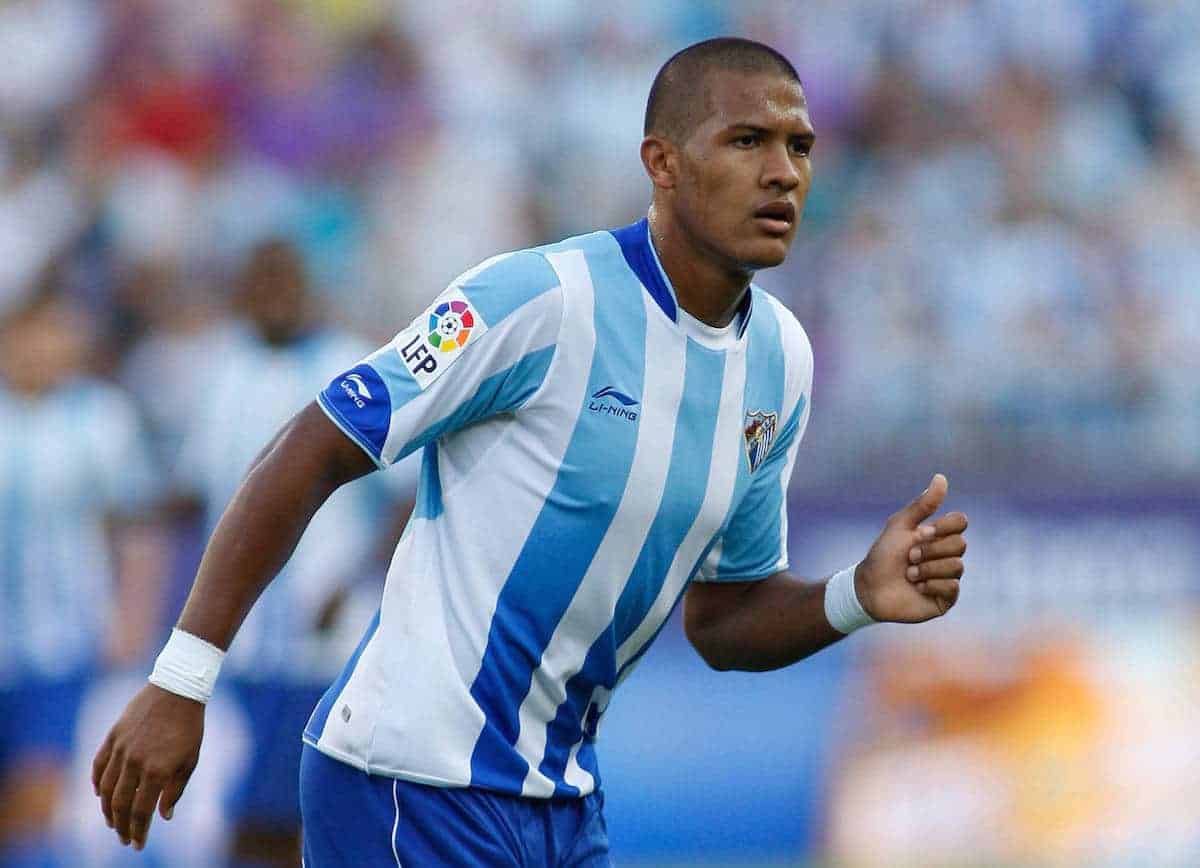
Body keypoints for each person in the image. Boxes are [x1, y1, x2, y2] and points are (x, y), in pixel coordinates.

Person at [92, 37, 969, 866]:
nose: (783, 172)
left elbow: (723, 617)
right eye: (746, 140)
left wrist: (857, 595)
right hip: (407, 779)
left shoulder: (782, 361)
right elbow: (314, 446)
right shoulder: (537, 300)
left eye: (800, 146)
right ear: (661, 163)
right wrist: (181, 679)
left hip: (560, 801)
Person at [172, 239, 415, 867]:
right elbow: (202, 496)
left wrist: (352, 581)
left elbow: (401, 496)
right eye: (262, 279)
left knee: (311, 812)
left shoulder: (347, 364)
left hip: (326, 645)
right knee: (242, 814)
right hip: (241, 647)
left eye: (286, 279)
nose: (275, 294)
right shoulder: (218, 371)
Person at [0, 288, 165, 865]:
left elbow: (138, 529)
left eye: (56, 332)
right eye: (30, 333)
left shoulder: (100, 418)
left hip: (59, 646)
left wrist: (132, 618)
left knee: (35, 796)